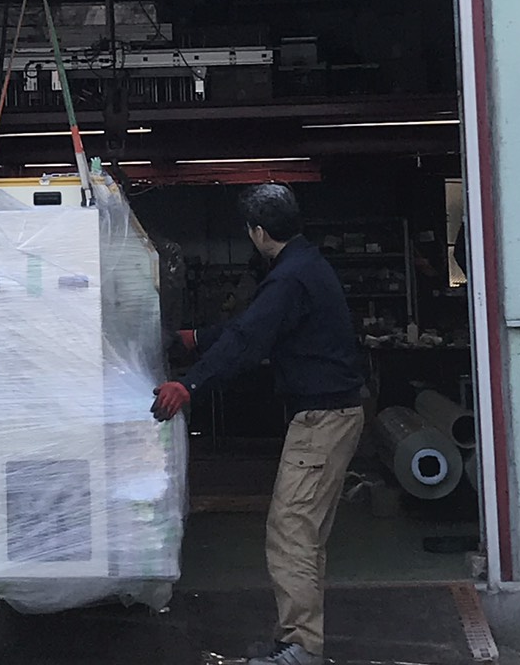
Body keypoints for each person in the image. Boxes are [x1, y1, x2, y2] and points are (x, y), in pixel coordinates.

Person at [151, 184, 365, 665]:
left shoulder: (289, 278)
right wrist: (195, 337)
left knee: (291, 531)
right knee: (306, 536)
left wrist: (189, 385)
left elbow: (249, 341)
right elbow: (253, 324)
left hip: (321, 421)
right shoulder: (303, 265)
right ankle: (295, 638)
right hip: (333, 416)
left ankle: (301, 647)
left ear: (259, 232)